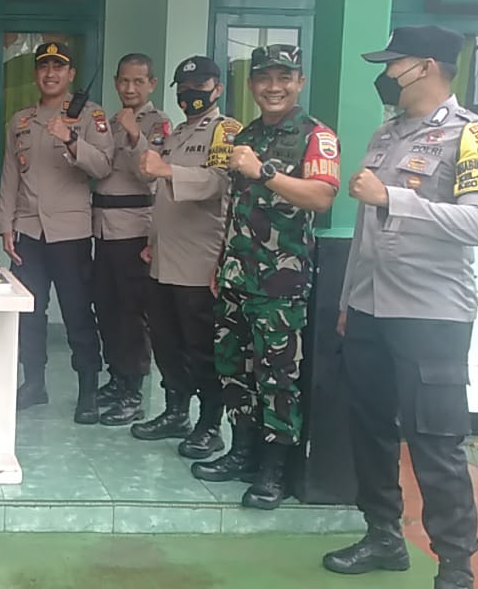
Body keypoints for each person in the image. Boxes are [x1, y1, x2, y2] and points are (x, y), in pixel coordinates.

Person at [323, 26, 478, 589]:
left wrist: (393, 197)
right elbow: (365, 231)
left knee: (435, 441)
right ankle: (382, 536)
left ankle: (455, 564)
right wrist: (349, 300)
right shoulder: (387, 133)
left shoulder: (475, 135)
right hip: (370, 308)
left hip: (432, 315)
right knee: (370, 428)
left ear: (425, 66)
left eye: (392, 64)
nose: (385, 75)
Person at [190, 44, 340, 511]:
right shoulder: (246, 134)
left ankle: (274, 470)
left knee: (277, 377)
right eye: (264, 78)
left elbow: (321, 198)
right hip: (237, 275)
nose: (273, 87)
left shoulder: (316, 136)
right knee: (234, 369)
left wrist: (265, 171)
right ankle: (243, 451)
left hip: (280, 283)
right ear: (252, 84)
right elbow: (236, 207)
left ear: (299, 82)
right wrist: (221, 260)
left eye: (283, 78)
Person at [130, 56, 242, 462]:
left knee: (201, 346)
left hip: (199, 258)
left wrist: (167, 170)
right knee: (166, 341)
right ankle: (175, 412)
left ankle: (209, 424)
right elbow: (162, 196)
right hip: (164, 255)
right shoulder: (177, 133)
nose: (191, 92)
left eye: (200, 85)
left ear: (218, 88)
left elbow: (219, 183)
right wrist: (152, 240)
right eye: (184, 86)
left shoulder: (225, 131)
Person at [0, 41, 114, 425]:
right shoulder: (20, 120)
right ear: (36, 73)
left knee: (78, 312)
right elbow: (10, 176)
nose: (51, 74)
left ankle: (88, 389)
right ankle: (34, 383)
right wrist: (6, 226)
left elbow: (103, 166)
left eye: (58, 67)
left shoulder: (90, 115)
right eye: (44, 66)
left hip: (70, 232)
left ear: (71, 74)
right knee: (29, 312)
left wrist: (70, 137)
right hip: (29, 230)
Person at [91, 54, 171, 427]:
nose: (130, 88)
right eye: (124, 80)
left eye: (138, 81)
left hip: (135, 227)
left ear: (151, 84)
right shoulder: (109, 122)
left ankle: (133, 392)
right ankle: (116, 377)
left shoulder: (159, 123)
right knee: (106, 306)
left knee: (131, 312)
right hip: (103, 226)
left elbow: (150, 176)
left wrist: (135, 134)